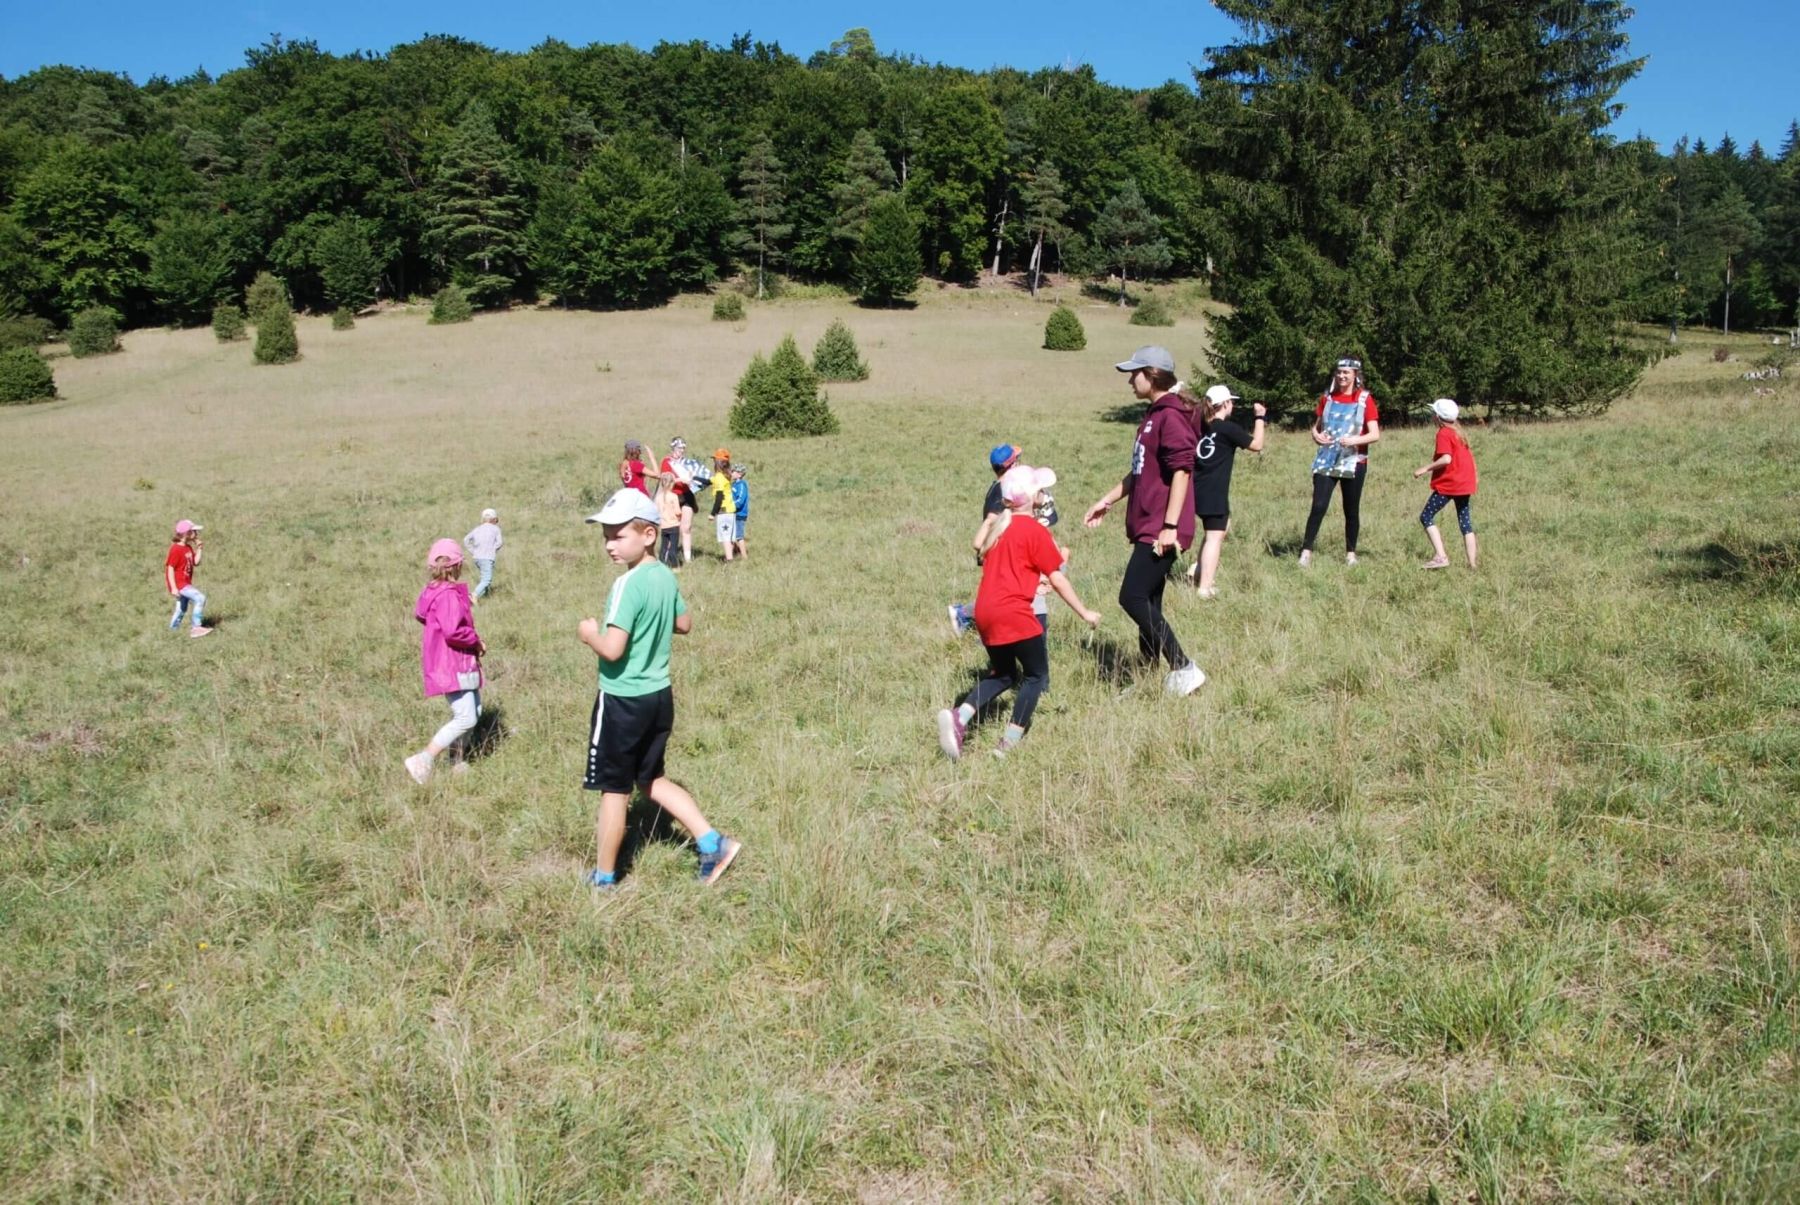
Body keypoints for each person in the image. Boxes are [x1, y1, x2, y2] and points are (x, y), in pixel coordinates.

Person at [578, 489, 741, 888]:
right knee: (651, 780)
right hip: (658, 697)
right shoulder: (665, 575)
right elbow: (684, 624)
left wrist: (588, 635)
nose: (609, 545)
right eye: (606, 537)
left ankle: (603, 879)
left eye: (618, 535)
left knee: (613, 790)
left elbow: (613, 650)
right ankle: (711, 841)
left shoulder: (626, 586)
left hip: (622, 700)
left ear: (649, 535)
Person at [938, 464, 1101, 760]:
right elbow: (1058, 578)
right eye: (1039, 488)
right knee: (1036, 676)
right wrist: (1085, 613)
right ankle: (1008, 744)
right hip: (1014, 611)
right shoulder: (1034, 531)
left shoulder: (1001, 528)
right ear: (1031, 497)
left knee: (1002, 675)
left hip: (984, 612)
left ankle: (960, 717)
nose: (1042, 492)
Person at [1082, 347, 1207, 696]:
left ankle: (1183, 666)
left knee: (1132, 596)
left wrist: (1169, 527)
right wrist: (1106, 500)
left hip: (1161, 527)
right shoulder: (1154, 416)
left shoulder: (1170, 417)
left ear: (1151, 375)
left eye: (1134, 372)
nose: (1129, 379)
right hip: (1150, 524)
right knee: (1149, 601)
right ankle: (1148, 675)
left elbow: (1182, 470)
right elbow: (1141, 472)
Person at [404, 539, 486, 784]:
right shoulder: (448, 596)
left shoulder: (435, 591)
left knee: (476, 710)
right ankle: (424, 759)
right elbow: (453, 632)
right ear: (454, 566)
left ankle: (456, 759)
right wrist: (477, 641)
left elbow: (425, 615)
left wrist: (463, 602)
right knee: (466, 717)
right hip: (453, 664)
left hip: (455, 662)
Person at [1300, 356, 1381, 567]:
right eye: (1339, 372)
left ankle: (1350, 553)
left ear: (1356, 375)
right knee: (1318, 505)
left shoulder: (1365, 399)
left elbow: (1374, 434)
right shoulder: (1327, 398)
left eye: (1346, 372)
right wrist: (1316, 435)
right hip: (1327, 460)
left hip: (1354, 461)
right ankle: (1306, 551)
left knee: (1351, 509)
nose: (1342, 376)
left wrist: (1355, 440)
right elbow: (1317, 427)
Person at [1187, 384, 1266, 597]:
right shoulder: (1227, 428)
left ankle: (1198, 570)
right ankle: (1205, 587)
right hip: (1214, 492)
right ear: (1226, 404)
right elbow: (1257, 445)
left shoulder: (1200, 426)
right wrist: (1260, 417)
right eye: (1232, 402)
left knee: (1219, 529)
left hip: (1194, 489)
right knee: (1215, 536)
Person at [949, 442, 1021, 636]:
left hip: (995, 548)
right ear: (1011, 465)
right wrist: (981, 545)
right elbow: (991, 520)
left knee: (998, 593)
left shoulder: (997, 485)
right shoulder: (1003, 489)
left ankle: (972, 620)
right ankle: (963, 614)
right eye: (1018, 461)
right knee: (1000, 595)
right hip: (994, 549)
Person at [1413, 397, 1479, 570]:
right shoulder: (1459, 432)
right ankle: (1472, 565)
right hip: (1464, 483)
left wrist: (1425, 468)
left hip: (1451, 484)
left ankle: (1441, 556)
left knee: (1426, 516)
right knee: (1465, 523)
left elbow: (1446, 459)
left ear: (1437, 416)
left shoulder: (1443, 433)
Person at [164, 519, 212, 638]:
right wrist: (174, 588)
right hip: (180, 585)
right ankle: (196, 628)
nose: (196, 534)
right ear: (187, 533)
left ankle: (171, 633)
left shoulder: (188, 548)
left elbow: (196, 562)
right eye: (194, 531)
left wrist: (199, 548)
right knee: (200, 598)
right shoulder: (175, 549)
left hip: (185, 583)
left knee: (181, 609)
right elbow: (170, 568)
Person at [658, 437, 699, 564]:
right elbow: (665, 479)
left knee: (686, 528)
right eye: (680, 448)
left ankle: (688, 558)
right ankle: (669, 557)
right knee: (671, 526)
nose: (682, 451)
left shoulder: (687, 462)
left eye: (683, 448)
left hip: (687, 495)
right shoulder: (666, 461)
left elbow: (693, 476)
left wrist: (693, 479)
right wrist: (680, 479)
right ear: (673, 448)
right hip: (672, 496)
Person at [463, 508, 503, 600]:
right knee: (487, 579)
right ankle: (473, 595)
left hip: (477, 558)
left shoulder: (477, 529)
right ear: (494, 519)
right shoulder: (495, 529)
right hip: (487, 557)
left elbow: (466, 540)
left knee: (484, 578)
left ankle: (483, 596)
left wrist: (473, 551)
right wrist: (493, 549)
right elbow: (499, 543)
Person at [708, 448, 737, 562]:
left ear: (718, 462)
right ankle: (730, 557)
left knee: (725, 537)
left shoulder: (719, 477)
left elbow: (719, 498)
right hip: (731, 510)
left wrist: (712, 514)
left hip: (723, 512)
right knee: (730, 536)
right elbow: (709, 481)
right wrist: (694, 479)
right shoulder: (726, 475)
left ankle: (729, 560)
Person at [654, 470, 683, 568]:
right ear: (672, 483)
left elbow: (656, 512)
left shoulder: (658, 497)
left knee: (664, 547)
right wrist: (680, 517)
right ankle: (675, 566)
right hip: (674, 525)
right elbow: (678, 512)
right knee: (673, 548)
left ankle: (662, 564)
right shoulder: (674, 496)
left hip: (663, 526)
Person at [729, 465, 750, 560]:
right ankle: (733, 553)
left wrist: (732, 506)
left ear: (740, 474)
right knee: (731, 535)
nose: (731, 473)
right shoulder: (733, 484)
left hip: (739, 514)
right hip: (732, 513)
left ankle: (744, 556)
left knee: (739, 536)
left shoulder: (742, 485)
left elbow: (740, 500)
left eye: (733, 471)